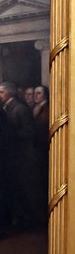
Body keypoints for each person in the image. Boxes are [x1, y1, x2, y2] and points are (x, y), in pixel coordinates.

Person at [0, 80, 41, 229]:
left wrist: (11, 135)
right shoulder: (7, 108)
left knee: (24, 190)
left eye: (1, 92)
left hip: (21, 156)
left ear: (9, 92)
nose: (0, 95)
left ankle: (28, 222)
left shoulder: (20, 109)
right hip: (11, 157)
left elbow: (29, 132)